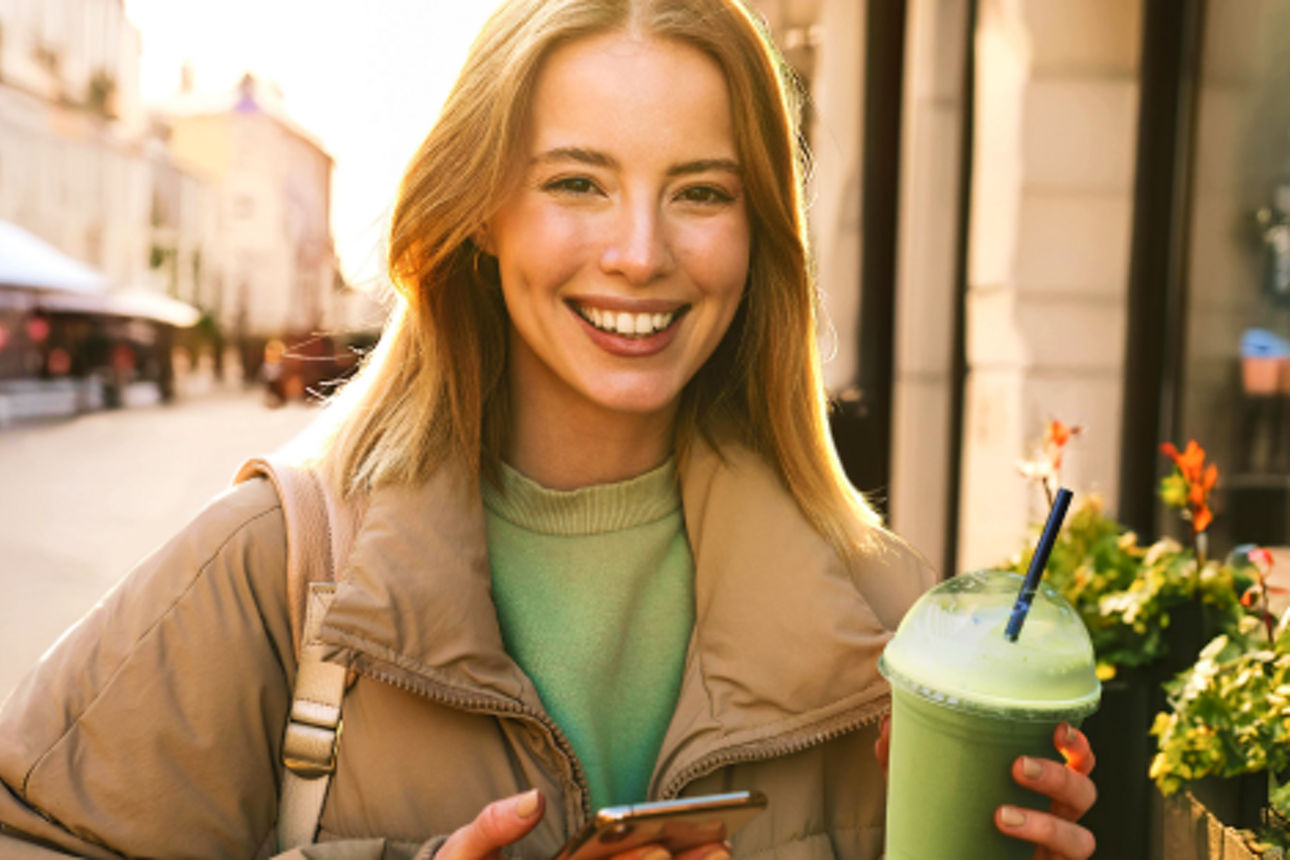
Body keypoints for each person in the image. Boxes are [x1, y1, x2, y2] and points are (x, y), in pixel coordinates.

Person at [0, 1, 1099, 858]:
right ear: (480, 209)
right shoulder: (280, 569)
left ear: (760, 231)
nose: (637, 251)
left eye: (701, 192)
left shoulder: (885, 621)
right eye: (578, 181)